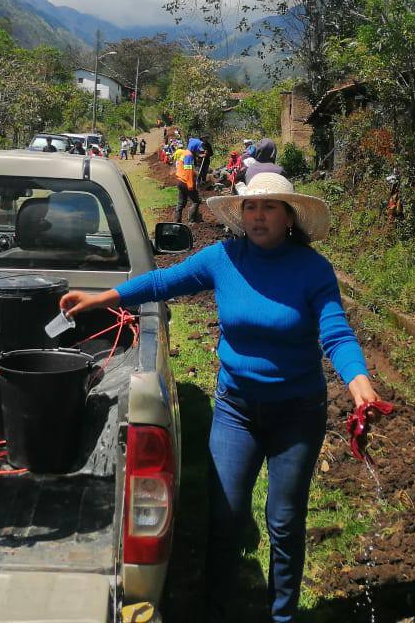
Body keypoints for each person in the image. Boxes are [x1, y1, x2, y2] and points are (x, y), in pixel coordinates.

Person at [59, 172, 380, 623]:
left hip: (296, 414)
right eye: (251, 207)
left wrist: (359, 382)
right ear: (240, 215)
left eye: (269, 207)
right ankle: (216, 610)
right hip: (236, 410)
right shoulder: (224, 258)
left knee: (285, 521)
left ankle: (282, 615)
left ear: (289, 217)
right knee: (226, 515)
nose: (258, 216)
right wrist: (101, 298)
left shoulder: (312, 270)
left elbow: (336, 333)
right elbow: (163, 282)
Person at [173, 137, 205, 223]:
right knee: (196, 201)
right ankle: (192, 221)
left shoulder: (185, 153)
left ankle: (177, 222)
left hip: (180, 181)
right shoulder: (189, 155)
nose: (199, 151)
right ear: (194, 147)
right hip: (185, 182)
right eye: (198, 149)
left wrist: (195, 173)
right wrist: (190, 184)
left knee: (181, 203)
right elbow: (188, 171)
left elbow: (186, 169)